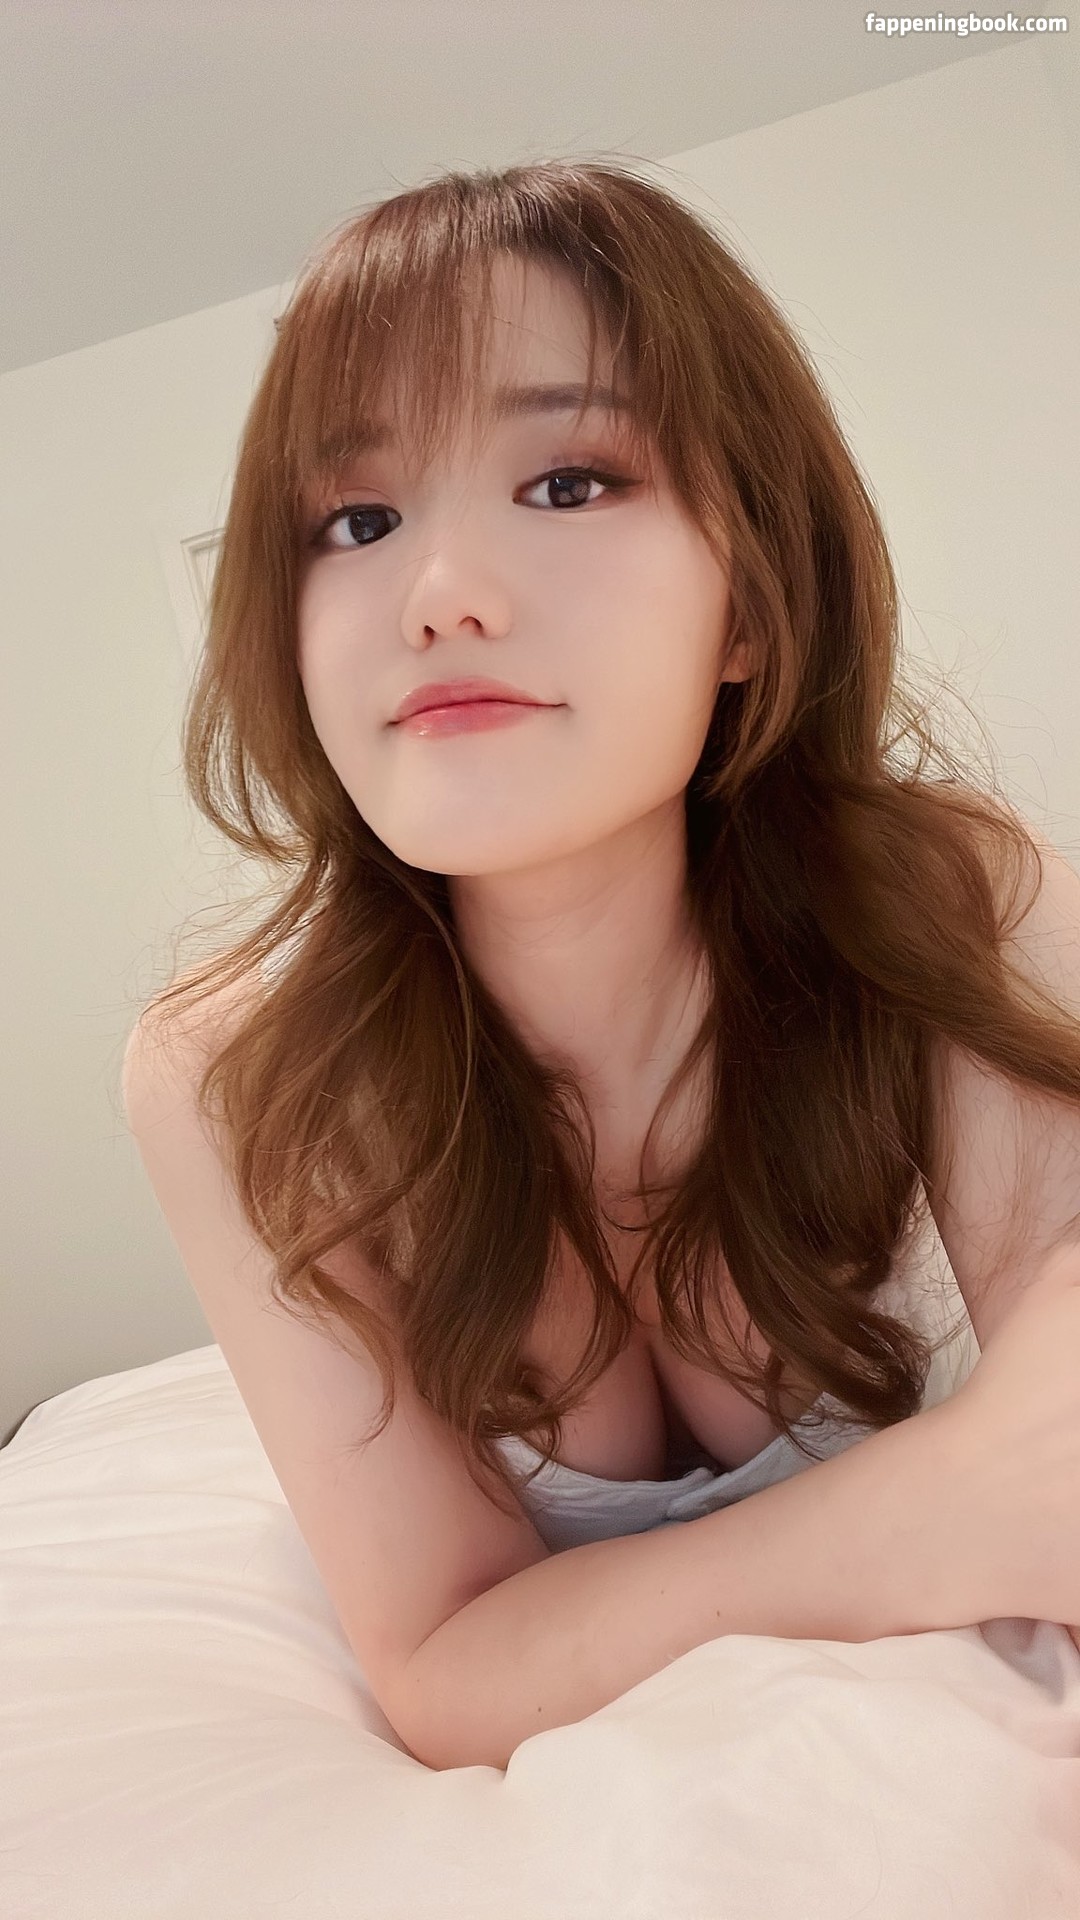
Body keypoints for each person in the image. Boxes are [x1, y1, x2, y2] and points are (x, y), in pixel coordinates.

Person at [126, 157, 1080, 1769]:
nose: (439, 597)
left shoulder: (950, 902)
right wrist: (938, 1507)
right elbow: (440, 1665)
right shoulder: (233, 1076)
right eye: (356, 521)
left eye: (568, 483)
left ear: (749, 601)